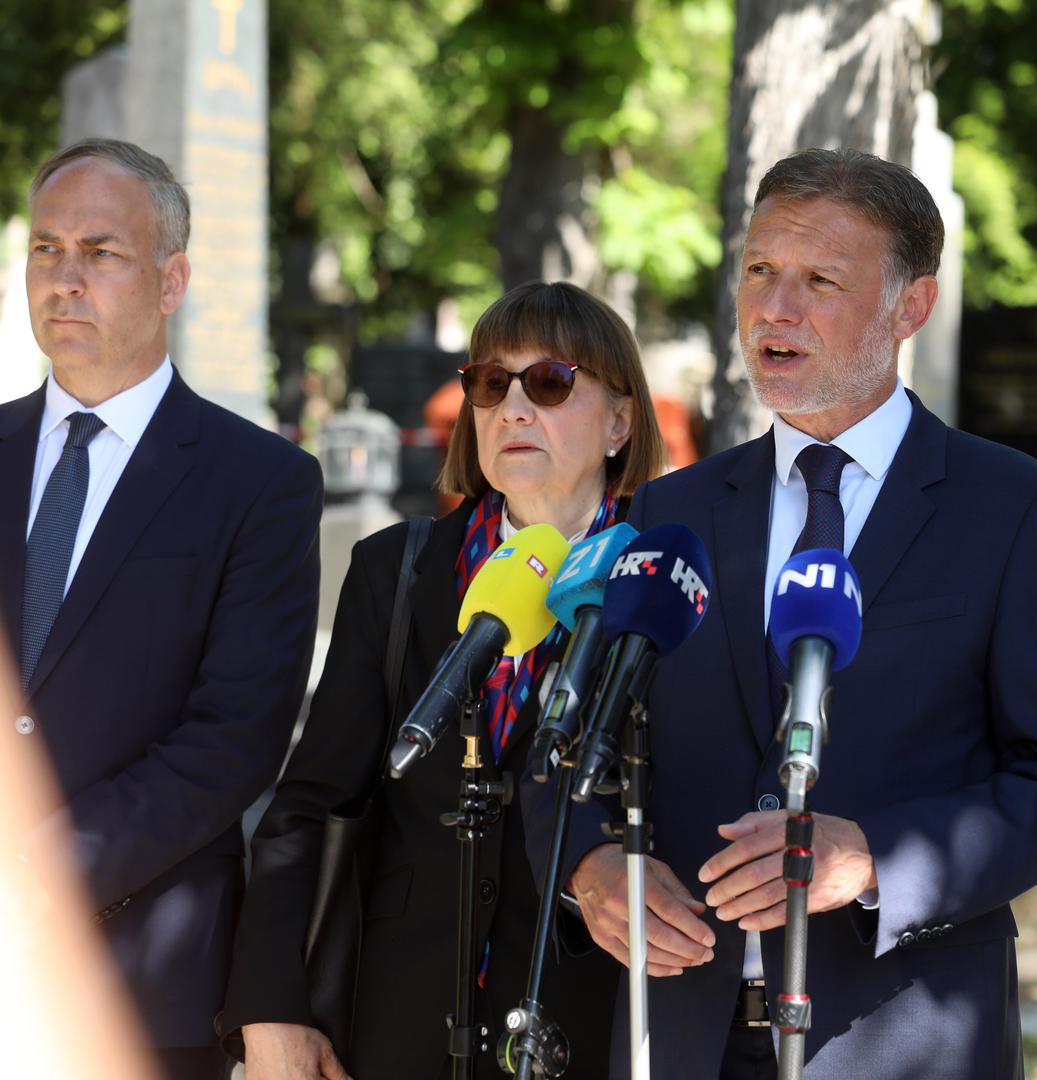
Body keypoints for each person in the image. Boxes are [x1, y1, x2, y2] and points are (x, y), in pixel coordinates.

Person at [530, 148, 1037, 1079]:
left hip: (898, 1037)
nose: (774, 309)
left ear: (909, 305)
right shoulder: (662, 513)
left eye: (819, 280)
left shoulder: (1017, 512)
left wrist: (875, 857)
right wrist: (591, 869)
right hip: (678, 1037)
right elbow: (561, 751)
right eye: (759, 271)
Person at [219, 282, 655, 1078]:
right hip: (402, 1026)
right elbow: (313, 800)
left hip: (599, 1026)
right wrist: (270, 1006)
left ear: (621, 419)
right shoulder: (400, 568)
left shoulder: (664, 578)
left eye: (550, 381)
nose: (514, 408)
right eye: (492, 384)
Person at [0, 139, 322, 1080]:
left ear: (172, 279)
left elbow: (234, 738)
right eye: (47, 251)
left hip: (139, 981)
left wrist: (43, 868)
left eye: (101, 252)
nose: (66, 279)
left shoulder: (259, 483)